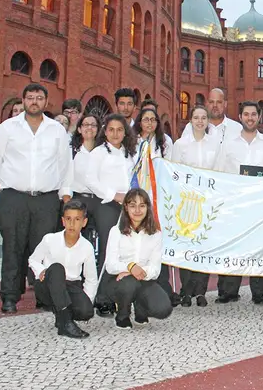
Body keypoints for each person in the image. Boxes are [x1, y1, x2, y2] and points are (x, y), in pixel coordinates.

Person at [0, 83, 73, 314]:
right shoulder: (7, 129)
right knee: (13, 247)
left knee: (43, 249)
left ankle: (43, 296)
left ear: (46, 102)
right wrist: (0, 186)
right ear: (23, 101)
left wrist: (65, 195)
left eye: (39, 98)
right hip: (14, 197)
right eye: (30, 98)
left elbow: (65, 165)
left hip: (46, 199)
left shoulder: (56, 130)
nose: (34, 102)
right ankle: (9, 296)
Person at [214, 101, 263, 304]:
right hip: (235, 203)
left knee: (257, 247)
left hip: (260, 203)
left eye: (254, 114)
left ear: (259, 117)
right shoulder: (229, 143)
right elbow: (220, 170)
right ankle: (228, 291)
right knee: (233, 246)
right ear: (240, 116)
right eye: (246, 114)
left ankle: (257, 293)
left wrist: (261, 183)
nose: (250, 118)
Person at [86, 114, 138, 317]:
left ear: (125, 132)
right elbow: (91, 180)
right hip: (107, 205)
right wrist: (113, 195)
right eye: (111, 130)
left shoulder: (130, 153)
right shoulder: (98, 153)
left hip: (129, 207)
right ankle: (102, 298)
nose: (115, 134)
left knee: (127, 250)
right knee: (110, 250)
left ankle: (122, 295)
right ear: (105, 132)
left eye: (120, 130)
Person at [172, 106, 222, 308]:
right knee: (187, 245)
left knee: (204, 246)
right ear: (190, 120)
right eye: (196, 117)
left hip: (208, 201)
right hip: (187, 200)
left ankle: (200, 291)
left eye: (203, 118)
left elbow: (218, 171)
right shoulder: (180, 144)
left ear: (208, 121)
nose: (200, 121)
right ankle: (186, 290)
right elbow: (174, 171)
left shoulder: (215, 144)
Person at [105, 188, 173, 329]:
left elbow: (155, 270)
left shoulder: (156, 234)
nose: (137, 210)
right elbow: (110, 265)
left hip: (143, 278)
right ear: (126, 207)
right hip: (118, 280)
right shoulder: (116, 231)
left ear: (148, 207)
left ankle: (140, 307)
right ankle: (122, 315)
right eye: (132, 205)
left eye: (142, 205)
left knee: (163, 309)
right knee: (129, 284)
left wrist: (136, 270)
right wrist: (130, 267)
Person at [28, 199, 97, 338]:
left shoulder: (87, 246)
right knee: (57, 269)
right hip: (48, 285)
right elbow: (33, 259)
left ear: (84, 222)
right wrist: (41, 270)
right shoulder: (49, 239)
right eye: (68, 219)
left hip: (71, 286)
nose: (72, 224)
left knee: (86, 312)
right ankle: (65, 323)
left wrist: (87, 300)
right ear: (63, 221)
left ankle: (61, 316)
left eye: (77, 219)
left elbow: (91, 279)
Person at [131, 106, 177, 304]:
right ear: (139, 121)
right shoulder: (131, 143)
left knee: (158, 241)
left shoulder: (164, 143)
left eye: (153, 119)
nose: (149, 123)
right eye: (145, 119)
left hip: (158, 198)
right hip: (137, 198)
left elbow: (172, 167)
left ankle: (163, 286)